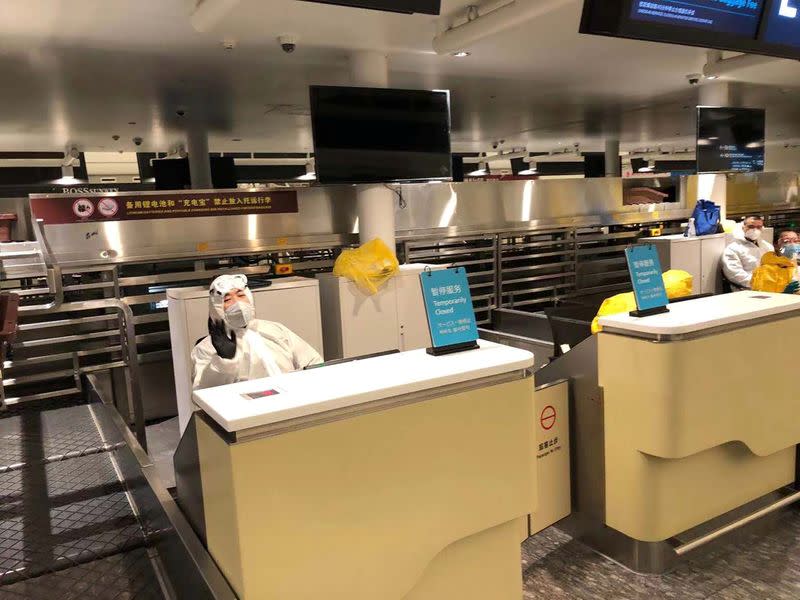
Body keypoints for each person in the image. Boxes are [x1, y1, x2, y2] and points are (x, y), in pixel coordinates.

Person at [192, 274, 323, 391]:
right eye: (227, 299)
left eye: (241, 295)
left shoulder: (275, 330)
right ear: (217, 307)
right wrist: (223, 362)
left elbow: (313, 361)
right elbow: (203, 394)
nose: (237, 303)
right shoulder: (206, 348)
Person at [722, 216, 774, 290]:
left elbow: (773, 268)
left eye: (758, 227)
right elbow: (735, 274)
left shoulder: (767, 246)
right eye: (751, 226)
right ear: (743, 227)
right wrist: (758, 283)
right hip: (745, 289)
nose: (755, 230)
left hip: (768, 287)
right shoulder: (733, 249)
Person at [752, 230, 800, 294]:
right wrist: (782, 292)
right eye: (786, 241)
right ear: (776, 245)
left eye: (796, 241)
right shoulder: (765, 270)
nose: (793, 244)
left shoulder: (796, 266)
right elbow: (762, 296)